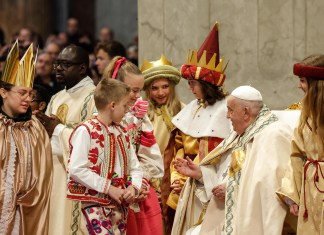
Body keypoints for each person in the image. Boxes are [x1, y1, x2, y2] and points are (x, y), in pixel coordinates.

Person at [173, 86, 293, 235]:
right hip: (227, 215)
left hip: (250, 221)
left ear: (246, 112)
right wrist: (201, 175)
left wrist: (231, 189)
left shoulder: (274, 134)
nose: (227, 116)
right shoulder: (239, 134)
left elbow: (269, 188)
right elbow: (224, 175)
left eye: (230, 110)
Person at [166, 22, 231, 234]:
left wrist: (200, 176)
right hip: (187, 184)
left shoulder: (226, 110)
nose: (189, 87)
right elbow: (178, 148)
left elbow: (228, 155)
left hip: (212, 185)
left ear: (206, 84)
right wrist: (179, 177)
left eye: (193, 82)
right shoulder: (191, 109)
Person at [67, 78, 143, 234]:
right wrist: (108, 188)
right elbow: (76, 169)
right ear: (113, 105)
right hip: (93, 206)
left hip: (119, 208)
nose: (127, 110)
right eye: (125, 105)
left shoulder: (123, 132)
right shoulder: (86, 131)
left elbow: (135, 167)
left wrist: (133, 187)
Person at [35, 44, 96, 235]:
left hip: (77, 180)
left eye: (65, 64)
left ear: (82, 68)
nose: (58, 68)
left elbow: (95, 142)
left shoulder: (94, 97)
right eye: (57, 64)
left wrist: (59, 129)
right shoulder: (56, 97)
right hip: (54, 175)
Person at [103, 56, 164, 235]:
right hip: (113, 192)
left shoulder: (138, 116)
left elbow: (149, 154)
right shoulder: (102, 116)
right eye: (133, 90)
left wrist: (141, 184)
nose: (138, 96)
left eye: (140, 91)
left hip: (139, 190)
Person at [0, 41, 52, 234]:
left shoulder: (35, 128)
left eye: (30, 93)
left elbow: (43, 174)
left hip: (24, 213)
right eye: (22, 93)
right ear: (3, 92)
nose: (28, 99)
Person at [277, 54, 324, 235]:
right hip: (311, 185)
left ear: (317, 84)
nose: (299, 85)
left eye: (303, 81)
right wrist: (293, 195)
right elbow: (296, 154)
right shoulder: (305, 113)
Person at [141, 54, 183, 229]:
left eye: (165, 86)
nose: (160, 93)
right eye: (154, 88)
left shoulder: (184, 111)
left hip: (175, 179)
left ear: (172, 86)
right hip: (151, 179)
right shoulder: (142, 115)